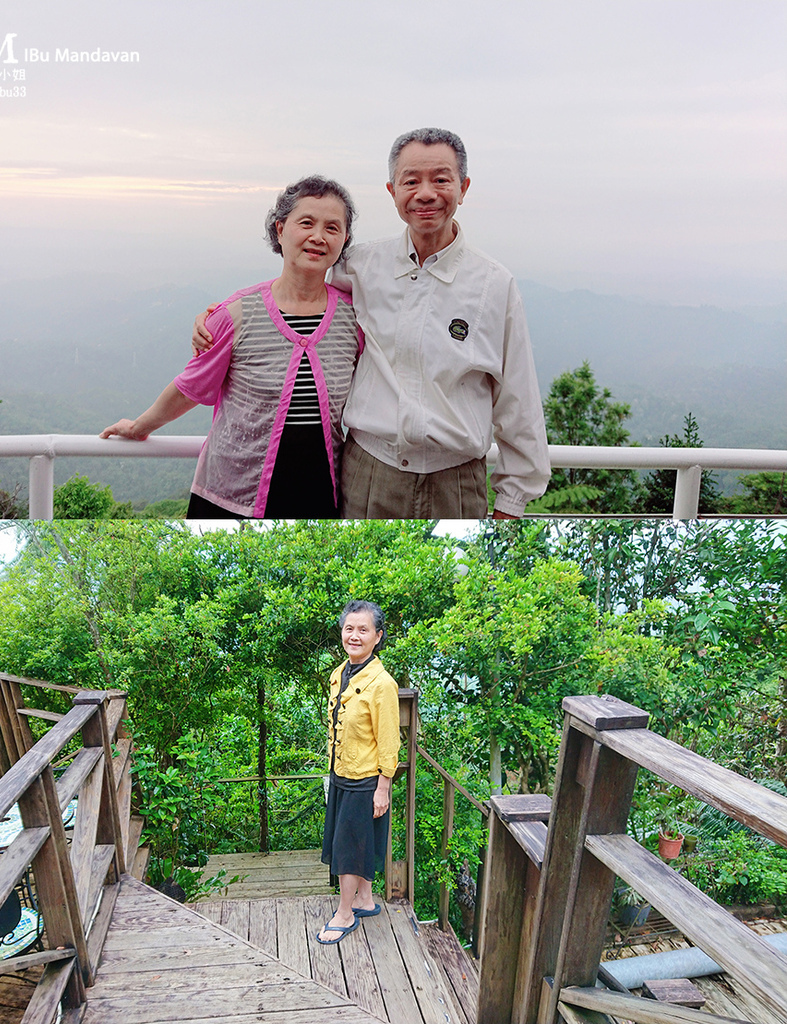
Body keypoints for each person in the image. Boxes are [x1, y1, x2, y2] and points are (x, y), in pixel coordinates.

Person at [194, 129, 550, 519]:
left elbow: (519, 400)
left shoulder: (494, 285)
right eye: (411, 181)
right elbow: (299, 289)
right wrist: (221, 315)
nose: (426, 193)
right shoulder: (360, 267)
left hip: (456, 484)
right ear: (392, 191)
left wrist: (511, 505)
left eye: (441, 179)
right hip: (367, 474)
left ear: (463, 188)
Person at [101, 175, 362, 518]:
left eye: (332, 227)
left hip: (320, 495)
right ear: (280, 230)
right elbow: (191, 386)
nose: (318, 236)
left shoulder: (355, 317)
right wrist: (140, 427)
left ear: (344, 239)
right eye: (306, 223)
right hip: (231, 496)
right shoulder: (236, 314)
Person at [318, 600, 399, 945]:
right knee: (355, 841)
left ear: (377, 636)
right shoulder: (341, 673)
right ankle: (364, 900)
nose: (354, 635)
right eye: (349, 628)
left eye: (363, 629)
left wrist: (383, 787)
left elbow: (389, 740)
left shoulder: (382, 684)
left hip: (364, 779)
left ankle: (345, 914)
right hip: (342, 772)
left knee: (348, 848)